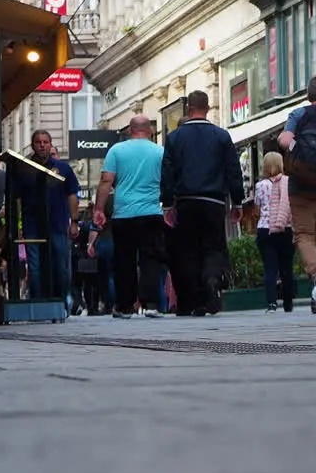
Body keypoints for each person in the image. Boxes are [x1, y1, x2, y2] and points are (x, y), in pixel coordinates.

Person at [161, 91, 244, 316]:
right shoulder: (221, 136)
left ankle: (195, 300)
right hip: (214, 200)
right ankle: (211, 280)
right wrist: (237, 202)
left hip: (186, 201)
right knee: (213, 246)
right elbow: (233, 171)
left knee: (188, 250)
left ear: (189, 109)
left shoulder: (175, 137)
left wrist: (168, 204)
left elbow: (167, 173)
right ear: (207, 108)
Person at [277, 76, 316, 314]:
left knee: (304, 235)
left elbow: (284, 140)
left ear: (307, 96)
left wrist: (299, 152)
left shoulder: (299, 114)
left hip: (300, 184)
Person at [95, 115, 166, 318]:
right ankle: (151, 304)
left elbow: (106, 180)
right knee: (150, 258)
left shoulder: (116, 151)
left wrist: (99, 209)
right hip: (151, 212)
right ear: (150, 131)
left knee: (124, 260)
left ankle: (125, 306)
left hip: (123, 213)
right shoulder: (160, 151)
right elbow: (168, 181)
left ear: (129, 131)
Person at [13, 130, 80, 304]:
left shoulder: (63, 168)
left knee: (61, 266)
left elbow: (72, 195)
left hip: (57, 223)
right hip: (32, 224)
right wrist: (18, 225)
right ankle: (37, 301)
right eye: (38, 142)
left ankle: (60, 300)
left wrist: (74, 221)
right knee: (34, 267)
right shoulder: (24, 169)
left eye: (45, 142)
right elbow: (18, 199)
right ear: (33, 145)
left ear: (50, 144)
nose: (42, 145)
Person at [254, 151, 295, 312]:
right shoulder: (289, 183)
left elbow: (257, 210)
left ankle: (271, 303)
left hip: (265, 229)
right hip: (286, 228)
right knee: (287, 268)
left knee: (270, 268)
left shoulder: (260, 186)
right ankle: (288, 303)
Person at [86, 191, 115, 316]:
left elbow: (96, 225)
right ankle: (121, 304)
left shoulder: (103, 200)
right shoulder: (122, 199)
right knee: (117, 274)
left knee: (105, 275)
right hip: (119, 239)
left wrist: (90, 244)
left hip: (104, 240)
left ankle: (108, 304)